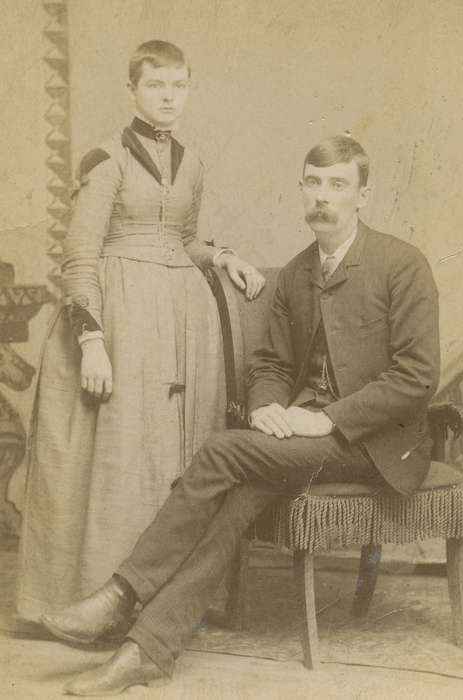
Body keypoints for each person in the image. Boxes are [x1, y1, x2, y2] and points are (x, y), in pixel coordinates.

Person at [40, 134, 440, 696]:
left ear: (363, 196)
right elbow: (271, 363)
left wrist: (327, 419)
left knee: (224, 450)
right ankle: (147, 649)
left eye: (338, 185)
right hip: (299, 441)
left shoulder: (402, 264)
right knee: (239, 500)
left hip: (377, 446)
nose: (322, 197)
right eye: (313, 182)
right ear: (302, 188)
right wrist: (267, 409)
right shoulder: (297, 274)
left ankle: (124, 593)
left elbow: (418, 376)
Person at [16, 40, 265, 622]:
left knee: (176, 459)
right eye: (156, 86)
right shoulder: (106, 160)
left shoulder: (194, 163)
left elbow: (183, 238)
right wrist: (91, 340)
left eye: (178, 86)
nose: (169, 97)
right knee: (123, 463)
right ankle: (96, 604)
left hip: (184, 326)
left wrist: (222, 256)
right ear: (133, 90)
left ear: (189, 89)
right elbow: (80, 252)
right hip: (121, 321)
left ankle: (171, 602)